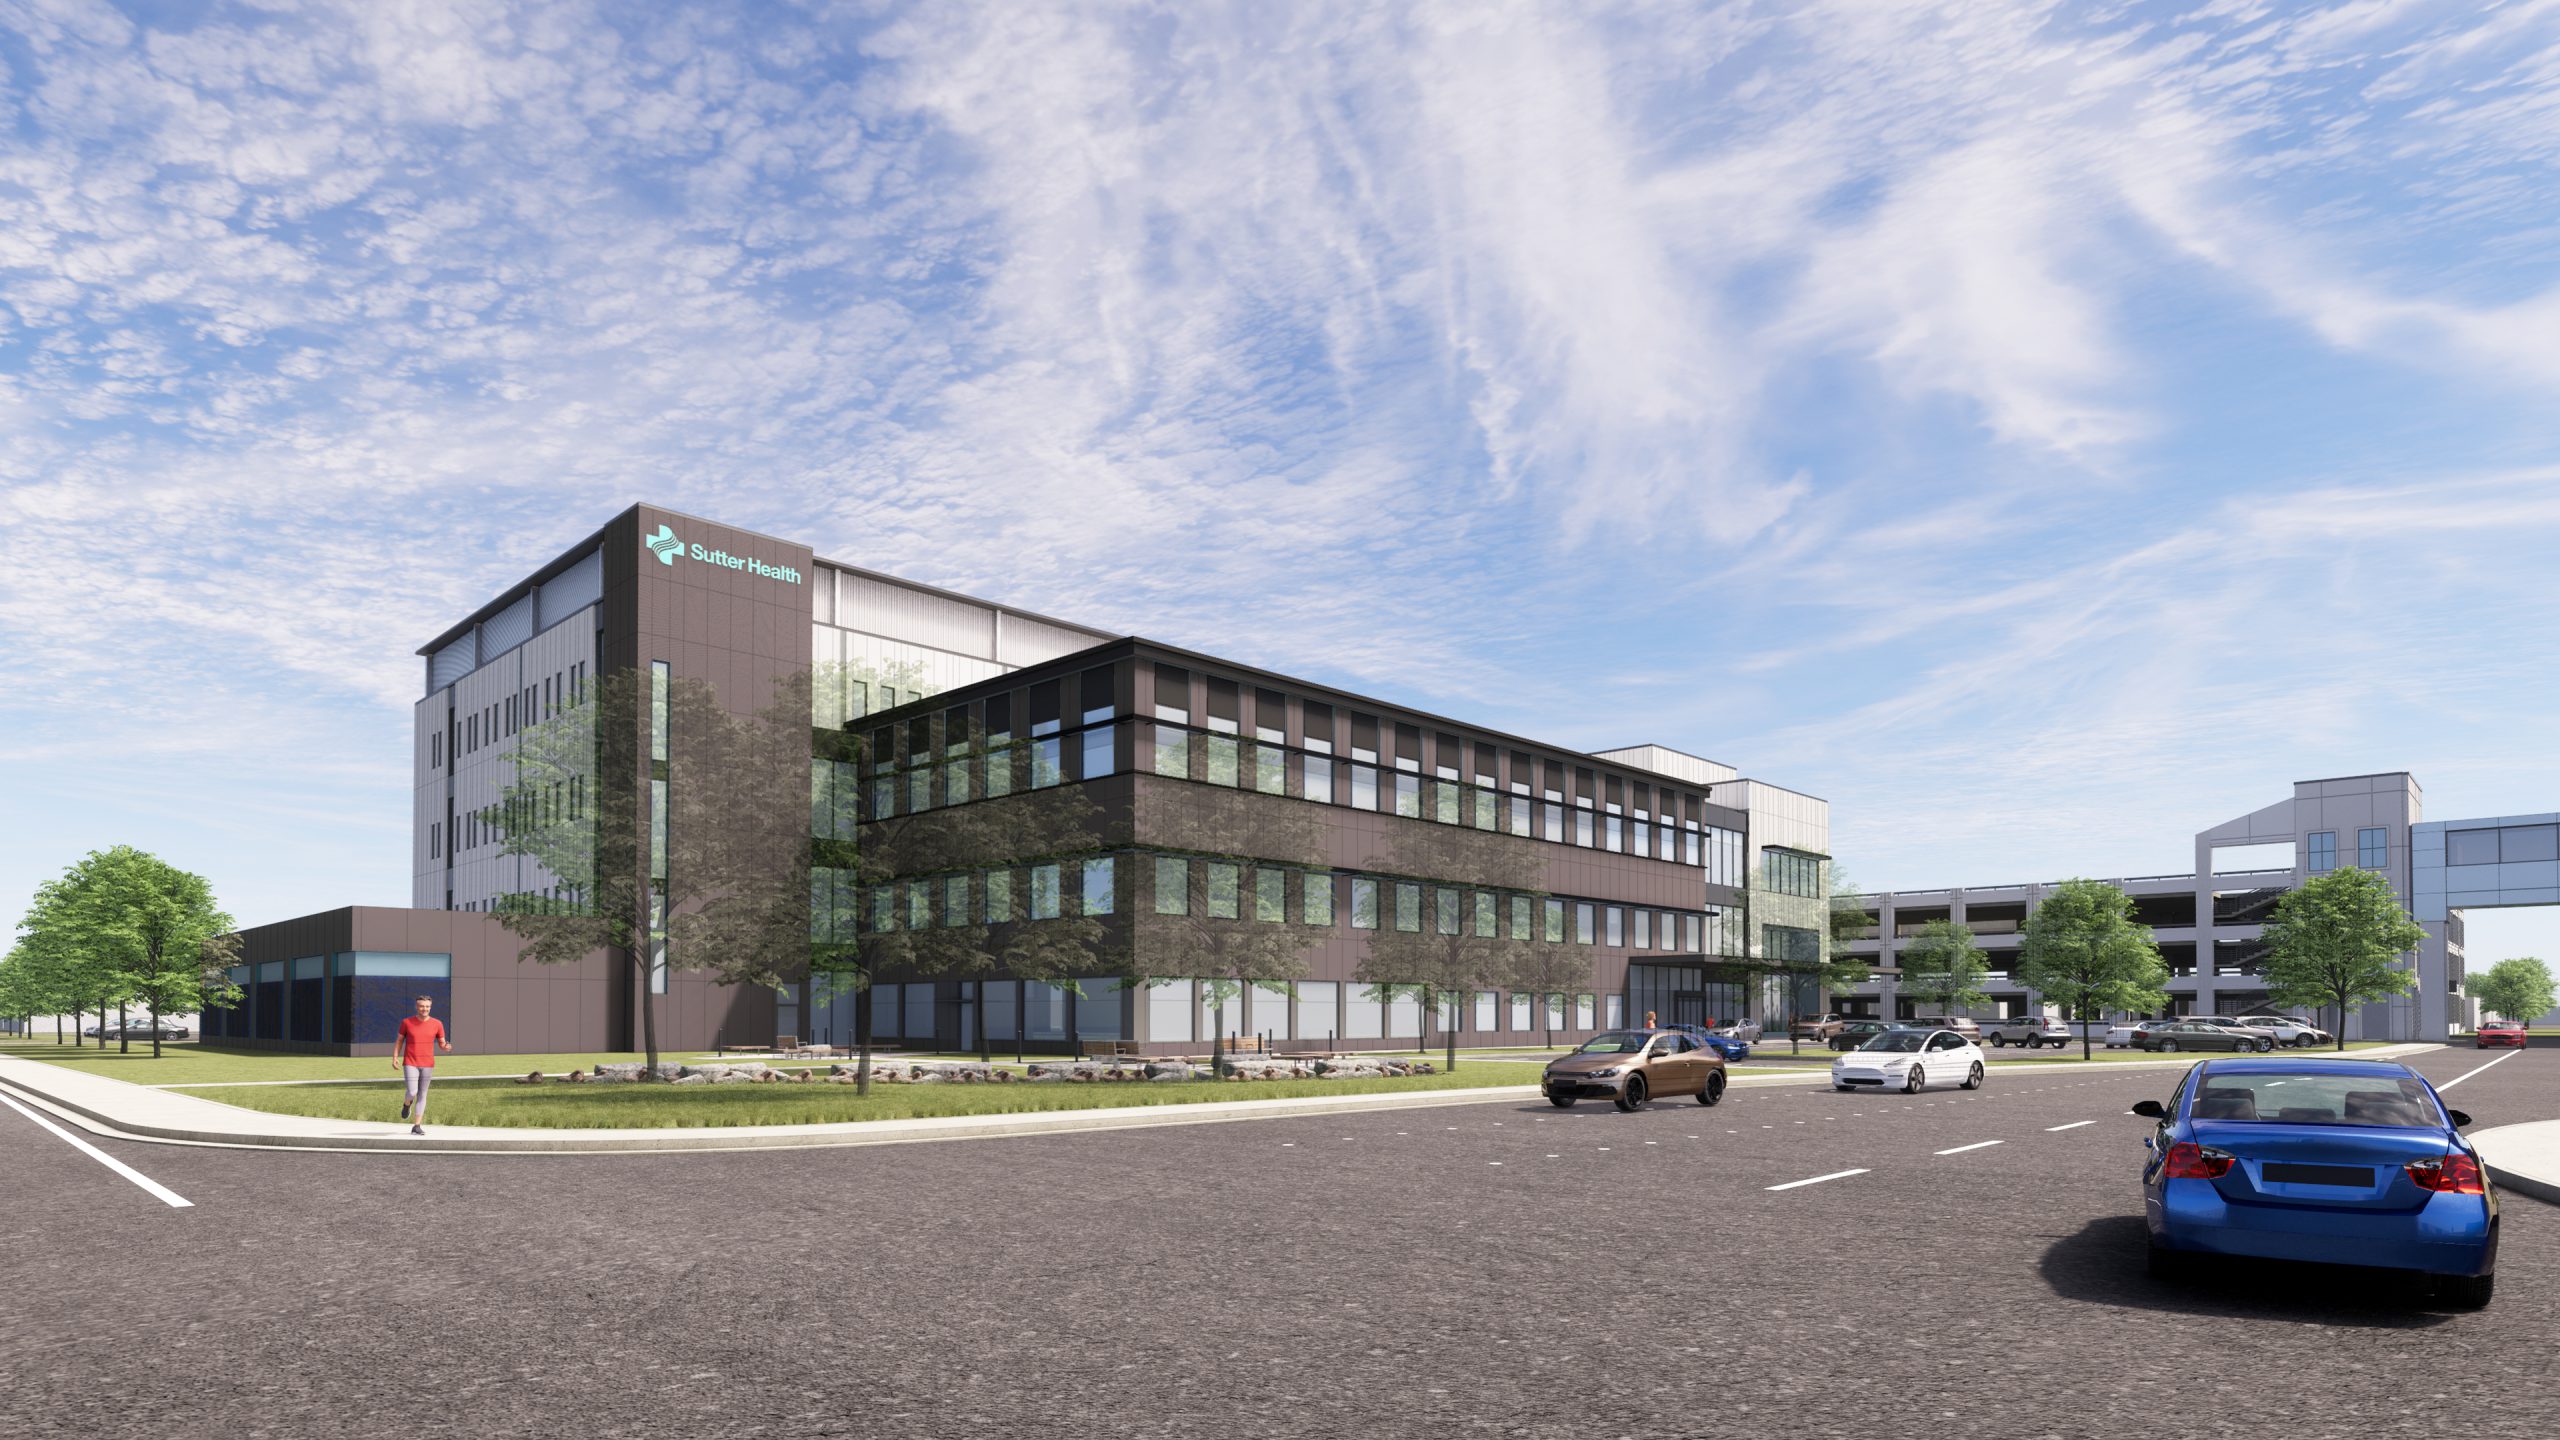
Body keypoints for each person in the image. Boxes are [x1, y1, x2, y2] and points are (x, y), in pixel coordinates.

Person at [395, 995, 453, 1136]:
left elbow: (441, 1043)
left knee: (422, 1094)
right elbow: (399, 1041)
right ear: (417, 1006)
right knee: (412, 1092)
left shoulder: (437, 1024)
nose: (424, 1009)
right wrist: (395, 1057)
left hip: (428, 1063)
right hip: (410, 1062)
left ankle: (417, 1125)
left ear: (430, 1007)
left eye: (427, 1006)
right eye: (421, 1006)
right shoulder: (407, 1022)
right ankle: (406, 1104)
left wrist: (445, 1047)